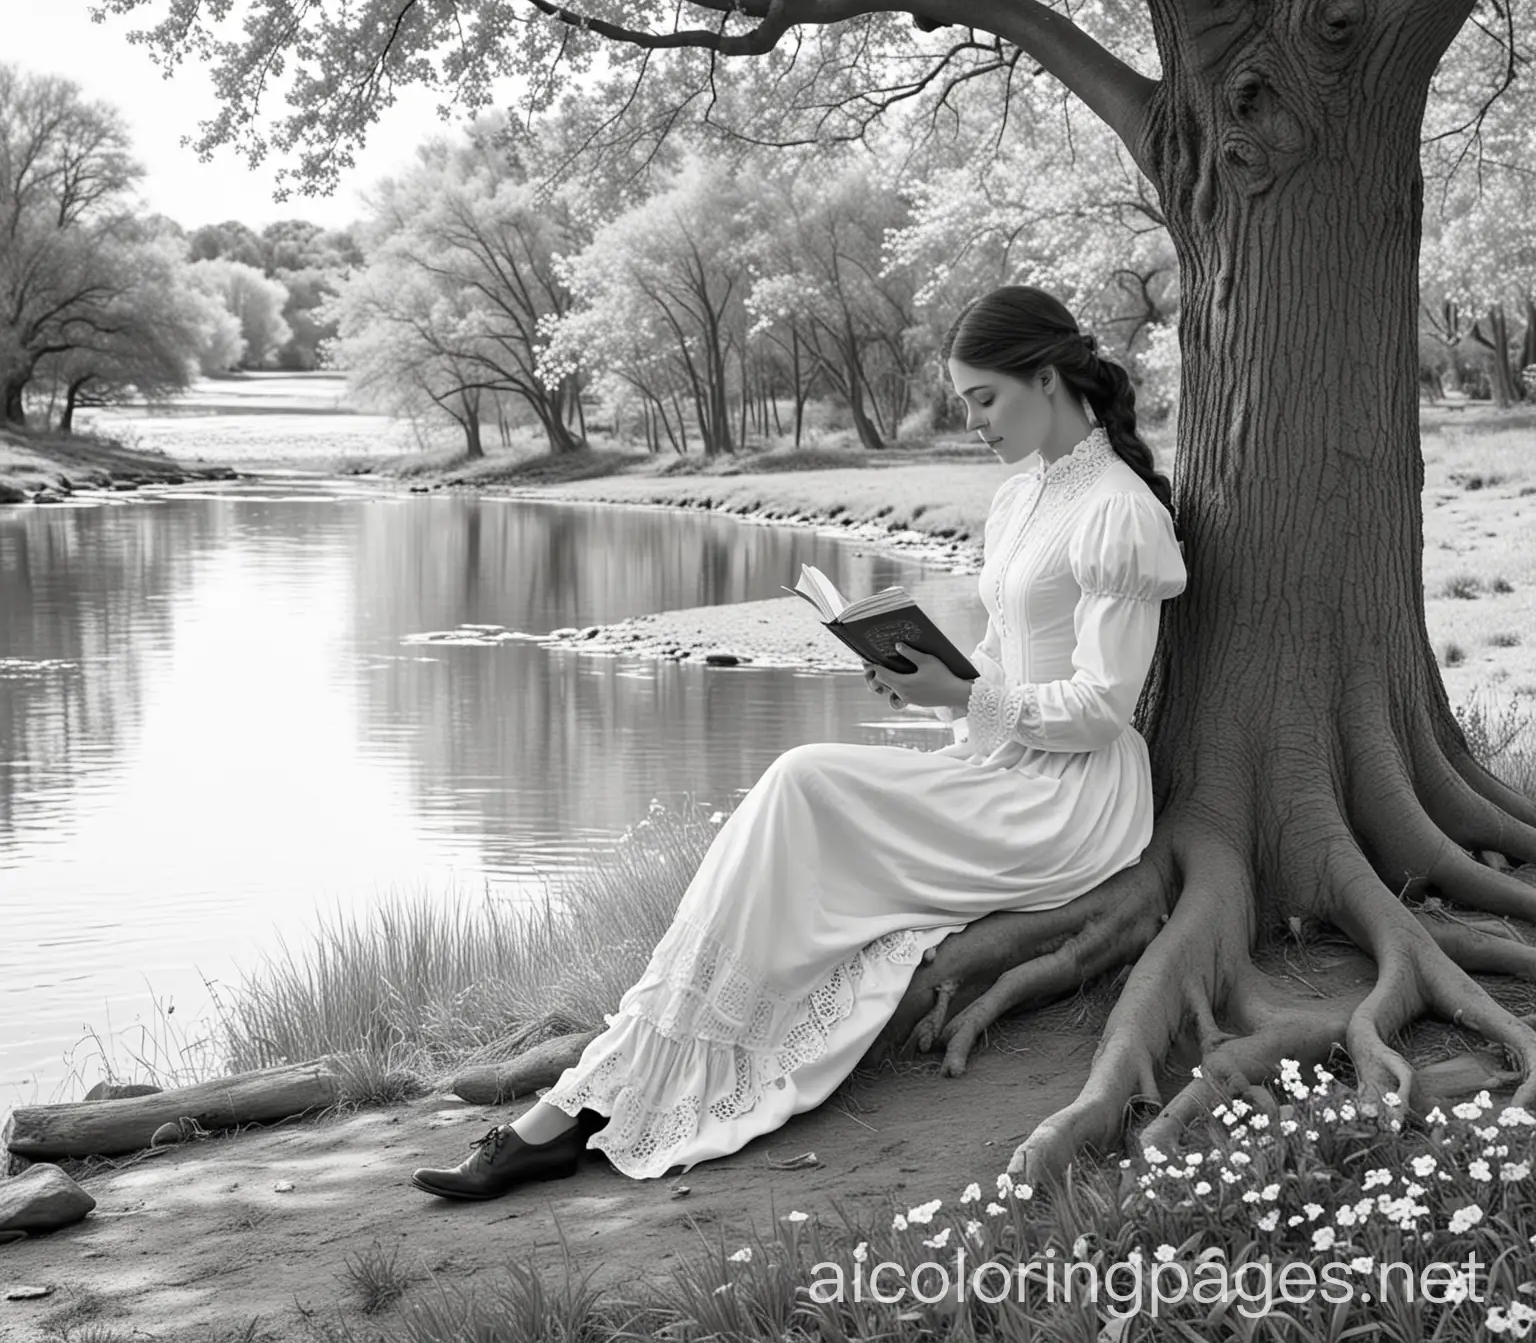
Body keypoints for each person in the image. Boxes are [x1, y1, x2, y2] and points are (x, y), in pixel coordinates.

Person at [410, 283, 1186, 1200]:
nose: (972, 422)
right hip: (995, 761)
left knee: (800, 782)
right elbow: (995, 665)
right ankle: (595, 1090)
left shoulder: (1119, 511)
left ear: (1048, 380)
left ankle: (588, 1103)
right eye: (965, 402)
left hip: (1071, 800)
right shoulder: (1021, 500)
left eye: (985, 399)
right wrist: (926, 684)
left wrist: (966, 695)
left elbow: (1101, 706)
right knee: (791, 812)